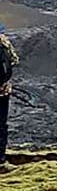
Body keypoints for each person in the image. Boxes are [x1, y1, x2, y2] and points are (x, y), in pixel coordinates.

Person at [0, 23, 19, 165]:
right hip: (3, 91)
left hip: (3, 90)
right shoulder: (5, 46)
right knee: (1, 124)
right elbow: (12, 63)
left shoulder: (4, 47)